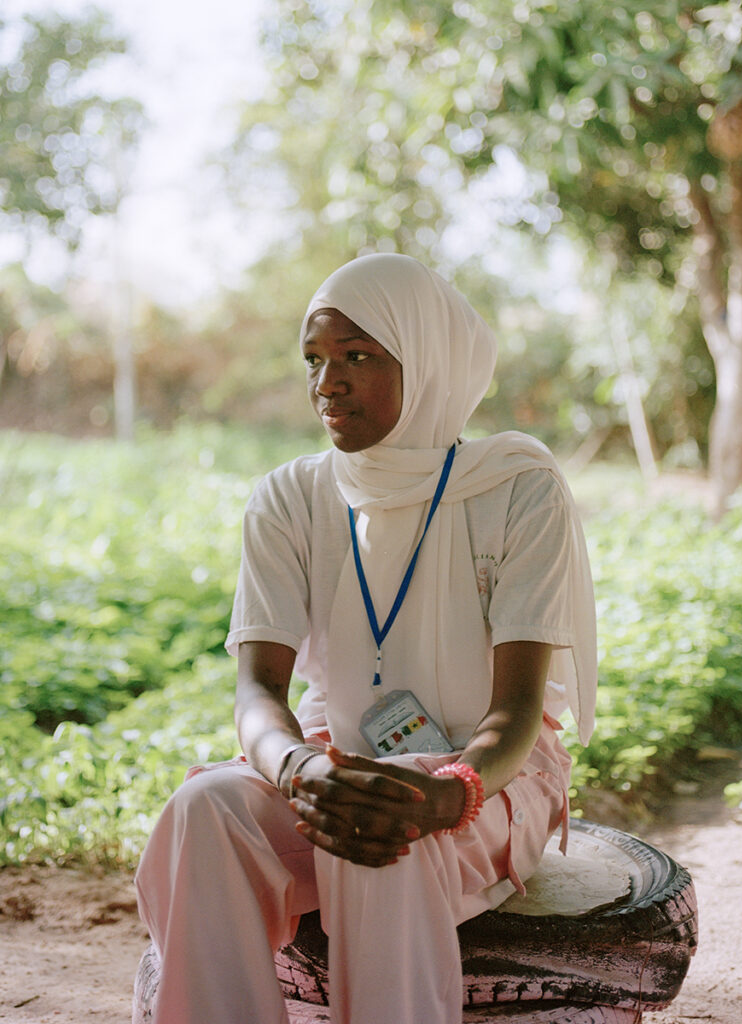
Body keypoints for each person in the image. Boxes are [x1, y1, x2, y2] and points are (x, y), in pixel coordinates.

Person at [135, 253, 598, 1024]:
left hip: (489, 776)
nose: (328, 382)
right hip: (331, 756)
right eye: (314, 359)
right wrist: (296, 769)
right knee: (205, 808)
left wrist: (452, 792)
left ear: (428, 362)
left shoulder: (516, 486)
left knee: (381, 829)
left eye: (358, 356)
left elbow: (516, 712)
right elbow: (258, 691)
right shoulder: (289, 497)